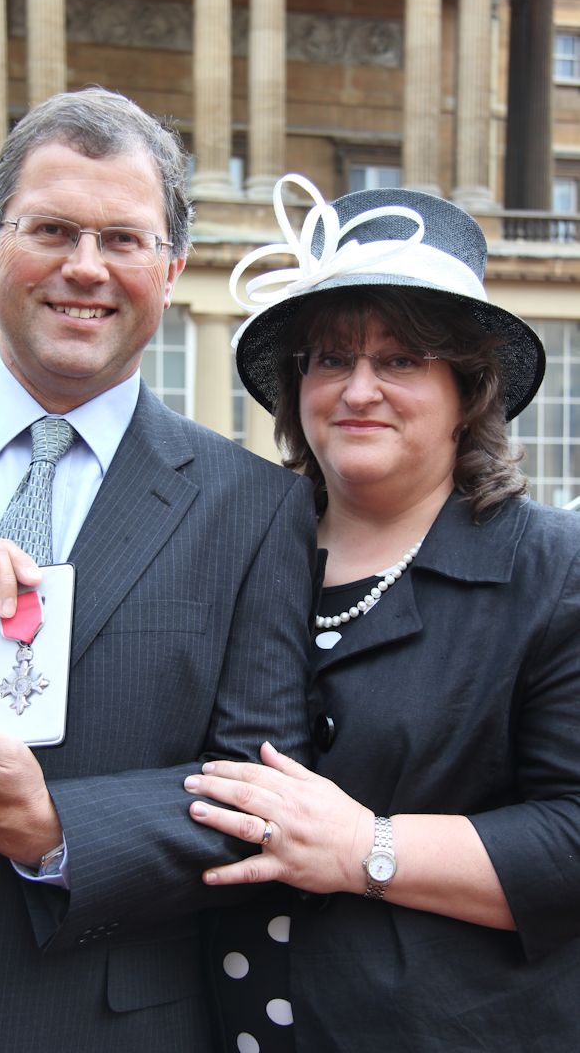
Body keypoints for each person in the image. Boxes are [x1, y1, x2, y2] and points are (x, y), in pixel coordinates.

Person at [0, 95, 317, 1053]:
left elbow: (256, 788)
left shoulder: (257, 508)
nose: (85, 267)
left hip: (88, 1021)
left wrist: (49, 828)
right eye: (52, 230)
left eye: (123, 237)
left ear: (170, 269)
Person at [184, 174, 580, 1052]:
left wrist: (368, 846)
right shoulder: (229, 546)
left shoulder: (551, 570)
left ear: (467, 388)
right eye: (331, 359)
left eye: (399, 359)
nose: (358, 388)